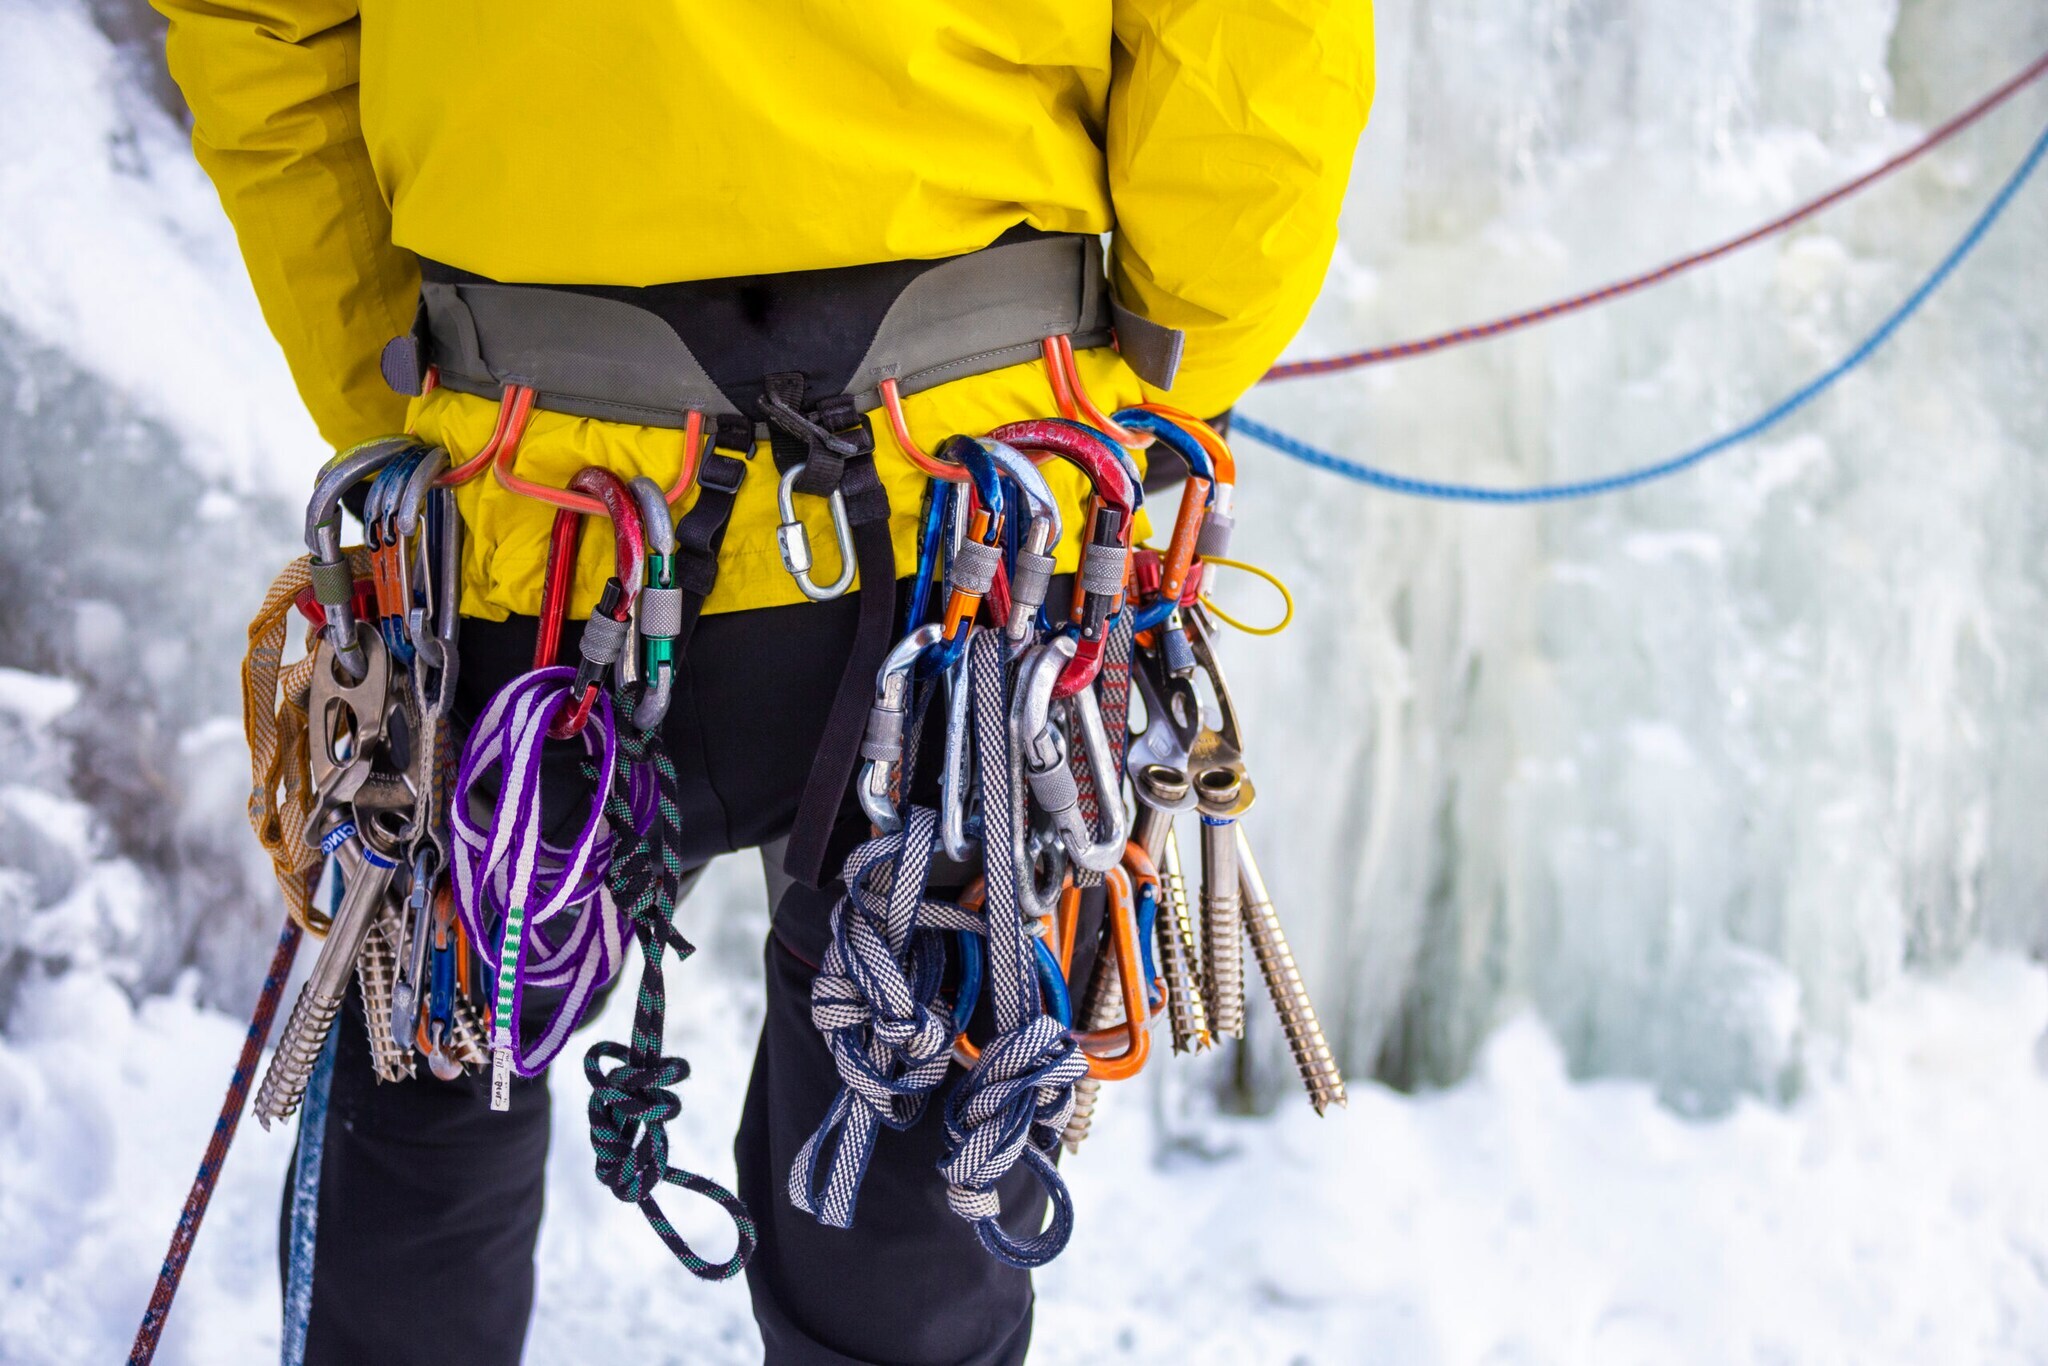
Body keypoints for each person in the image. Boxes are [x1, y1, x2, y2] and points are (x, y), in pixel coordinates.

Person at [152, 2, 1373, 1361]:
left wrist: (399, 384)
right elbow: (1260, 40)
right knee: (912, 1140)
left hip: (532, 508)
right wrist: (1159, 374)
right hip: (958, 525)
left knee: (433, 1087)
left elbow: (258, 26)